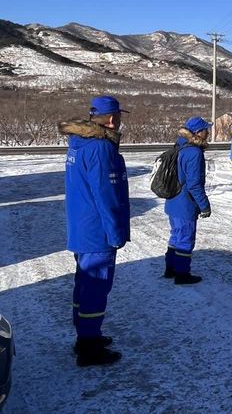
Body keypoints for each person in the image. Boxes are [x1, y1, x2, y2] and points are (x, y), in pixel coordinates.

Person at [58, 95, 130, 367]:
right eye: (119, 117)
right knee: (96, 287)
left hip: (82, 228)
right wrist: (114, 233)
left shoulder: (80, 144)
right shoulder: (101, 148)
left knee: (85, 285)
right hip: (96, 231)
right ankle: (89, 347)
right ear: (112, 119)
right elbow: (106, 195)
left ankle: (86, 336)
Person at [164, 117, 212, 285]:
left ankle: (170, 268)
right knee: (185, 239)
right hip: (185, 204)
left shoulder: (179, 146)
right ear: (198, 132)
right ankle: (182, 275)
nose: (208, 132)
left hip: (172, 201)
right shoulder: (194, 152)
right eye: (206, 129)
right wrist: (204, 205)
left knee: (176, 236)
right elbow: (194, 185)